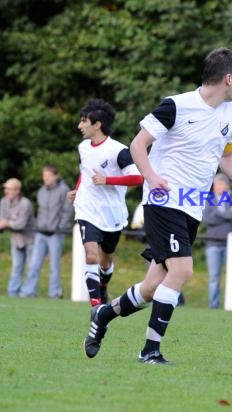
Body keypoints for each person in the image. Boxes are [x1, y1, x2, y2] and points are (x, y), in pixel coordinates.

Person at [82, 47, 232, 364]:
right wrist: (151, 176)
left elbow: (226, 153)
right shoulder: (177, 105)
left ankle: (103, 315)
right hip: (163, 200)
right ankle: (150, 350)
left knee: (152, 286)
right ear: (227, 78)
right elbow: (138, 144)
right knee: (182, 271)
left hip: (192, 206)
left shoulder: (231, 113)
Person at [67, 98, 143, 307]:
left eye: (84, 121)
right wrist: (77, 189)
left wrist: (107, 180)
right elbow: (85, 172)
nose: (80, 126)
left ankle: (102, 287)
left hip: (112, 214)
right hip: (86, 209)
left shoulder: (118, 151)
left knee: (105, 259)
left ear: (97, 124)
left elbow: (137, 178)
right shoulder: (83, 147)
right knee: (91, 255)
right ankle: (96, 306)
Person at [20, 165, 74, 298]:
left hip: (56, 234)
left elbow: (68, 210)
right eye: (44, 176)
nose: (46, 179)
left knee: (54, 266)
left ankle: (54, 293)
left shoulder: (64, 190)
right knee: (34, 264)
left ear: (55, 176)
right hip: (40, 233)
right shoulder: (41, 191)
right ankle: (28, 292)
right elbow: (40, 211)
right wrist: (38, 226)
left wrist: (59, 227)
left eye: (48, 176)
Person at [203, 173, 232, 309]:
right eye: (216, 184)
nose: (219, 187)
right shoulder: (209, 199)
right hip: (212, 243)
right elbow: (206, 219)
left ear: (227, 186)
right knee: (214, 277)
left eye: (222, 184)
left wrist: (217, 213)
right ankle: (213, 305)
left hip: (230, 244)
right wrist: (226, 215)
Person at [0, 178, 35, 296]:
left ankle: (28, 293)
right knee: (16, 267)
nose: (7, 191)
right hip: (16, 239)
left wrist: (7, 223)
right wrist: (8, 222)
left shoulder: (26, 203)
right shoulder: (4, 202)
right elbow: (2, 219)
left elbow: (20, 224)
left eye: (9, 189)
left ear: (17, 190)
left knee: (31, 268)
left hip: (30, 240)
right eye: (6, 189)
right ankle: (12, 292)